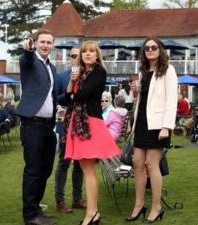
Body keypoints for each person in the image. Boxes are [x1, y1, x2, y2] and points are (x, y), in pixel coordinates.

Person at [64, 40, 120, 225]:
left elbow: (81, 95)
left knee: (88, 170)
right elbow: (67, 96)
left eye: (91, 51)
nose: (87, 54)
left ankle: (91, 214)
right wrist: (72, 82)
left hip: (90, 123)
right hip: (79, 121)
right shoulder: (79, 74)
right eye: (84, 51)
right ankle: (93, 213)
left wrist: (73, 93)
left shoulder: (98, 72)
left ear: (97, 55)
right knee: (85, 168)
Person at [127, 37, 177, 223]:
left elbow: (171, 100)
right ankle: (139, 205)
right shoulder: (143, 71)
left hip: (158, 125)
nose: (150, 50)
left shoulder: (168, 70)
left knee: (151, 164)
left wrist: (166, 126)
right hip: (141, 122)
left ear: (160, 50)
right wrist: (135, 92)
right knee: (137, 163)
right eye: (146, 48)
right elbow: (142, 100)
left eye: (153, 47)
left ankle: (156, 207)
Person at [15, 29, 57, 225]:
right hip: (32, 124)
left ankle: (36, 207)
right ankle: (30, 215)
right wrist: (28, 51)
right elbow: (26, 60)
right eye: (42, 42)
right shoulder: (31, 62)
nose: (45, 45)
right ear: (36, 43)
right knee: (33, 169)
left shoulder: (52, 68)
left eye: (49, 42)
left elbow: (51, 95)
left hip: (49, 126)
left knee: (46, 169)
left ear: (52, 45)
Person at [54, 46, 86, 214]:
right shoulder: (62, 76)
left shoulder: (89, 75)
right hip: (66, 123)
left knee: (80, 163)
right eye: (73, 55)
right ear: (70, 58)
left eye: (79, 55)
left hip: (83, 124)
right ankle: (60, 200)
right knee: (64, 162)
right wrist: (70, 86)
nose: (76, 58)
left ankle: (77, 199)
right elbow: (57, 99)